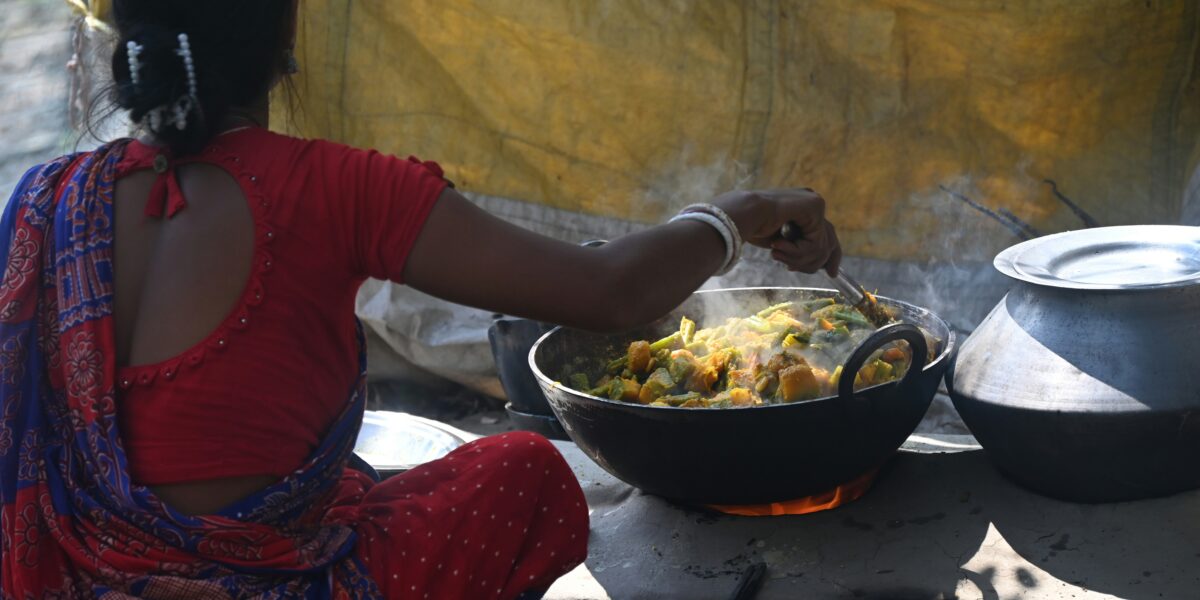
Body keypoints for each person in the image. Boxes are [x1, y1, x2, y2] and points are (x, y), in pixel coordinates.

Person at [0, 1, 841, 598]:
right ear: (284, 33)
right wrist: (748, 214)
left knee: (355, 480)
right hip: (265, 585)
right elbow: (611, 291)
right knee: (523, 472)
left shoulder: (43, 201)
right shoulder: (332, 186)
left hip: (65, 571)